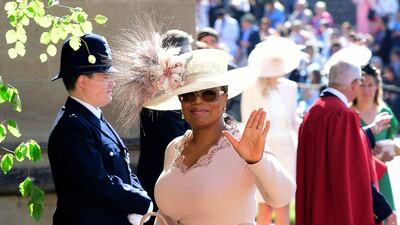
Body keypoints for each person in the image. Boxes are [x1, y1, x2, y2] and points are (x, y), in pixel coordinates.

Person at [113, 30, 296, 224]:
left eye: (209, 94)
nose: (197, 102)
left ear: (225, 98)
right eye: (188, 95)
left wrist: (257, 160)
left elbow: (281, 197)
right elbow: (167, 216)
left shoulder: (243, 143)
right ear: (180, 101)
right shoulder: (174, 147)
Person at [47, 33, 152, 225]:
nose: (112, 82)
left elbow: (124, 170)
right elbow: (97, 182)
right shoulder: (73, 125)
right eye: (105, 76)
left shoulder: (92, 118)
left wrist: (140, 196)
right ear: (82, 81)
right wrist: (141, 203)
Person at [296, 61, 397, 225]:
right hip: (335, 208)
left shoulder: (314, 110)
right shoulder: (343, 115)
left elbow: (339, 147)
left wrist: (369, 132)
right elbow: (355, 170)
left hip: (317, 201)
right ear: (354, 84)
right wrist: (382, 208)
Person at [242, 36, 301, 225]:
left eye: (279, 60)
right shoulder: (251, 88)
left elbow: (293, 121)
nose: (277, 64)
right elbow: (247, 121)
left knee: (283, 201)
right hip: (263, 149)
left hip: (287, 149)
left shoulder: (291, 87)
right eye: (273, 60)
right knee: (263, 203)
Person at [137, 29, 192, 224]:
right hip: (162, 182)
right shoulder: (160, 94)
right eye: (187, 54)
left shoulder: (174, 89)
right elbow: (178, 140)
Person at [351, 63, 398, 225]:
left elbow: (396, 145)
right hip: (359, 177)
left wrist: (390, 149)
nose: (366, 90)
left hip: (381, 175)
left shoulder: (386, 112)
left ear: (377, 86)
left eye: (371, 85)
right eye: (362, 85)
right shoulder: (349, 114)